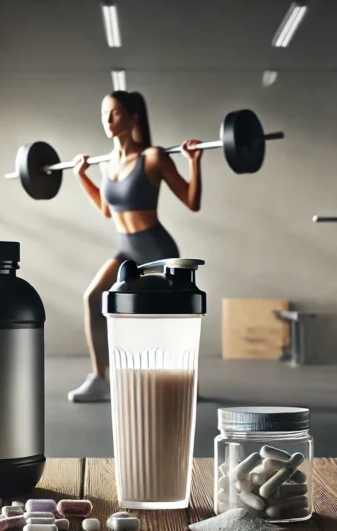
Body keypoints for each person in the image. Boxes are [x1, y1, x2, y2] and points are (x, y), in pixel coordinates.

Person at [67, 90, 203, 403]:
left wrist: (194, 163)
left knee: (167, 316)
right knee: (94, 298)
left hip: (156, 248)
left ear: (133, 118)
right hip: (126, 248)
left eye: (115, 113)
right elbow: (105, 209)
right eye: (104, 114)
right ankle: (101, 378)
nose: (108, 120)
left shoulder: (153, 157)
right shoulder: (107, 163)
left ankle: (181, 377)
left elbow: (191, 201)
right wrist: (81, 177)